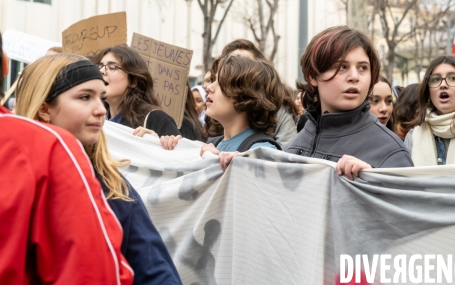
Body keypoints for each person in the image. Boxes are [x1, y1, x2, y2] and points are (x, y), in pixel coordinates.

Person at [14, 53, 182, 285]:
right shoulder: (12, 180)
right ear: (44, 109)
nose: (101, 110)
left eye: (101, 98)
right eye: (85, 97)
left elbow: (155, 272)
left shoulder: (113, 187)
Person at [285, 26, 413, 180]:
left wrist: (374, 184)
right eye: (342, 67)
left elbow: (407, 203)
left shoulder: (391, 152)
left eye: (362, 68)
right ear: (313, 76)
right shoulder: (291, 147)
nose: (354, 76)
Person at [198, 55, 284, 170]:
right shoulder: (213, 144)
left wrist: (244, 164)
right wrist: (172, 148)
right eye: (214, 81)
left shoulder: (263, 151)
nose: (209, 87)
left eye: (221, 83)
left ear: (246, 96)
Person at [214, 39, 299, 148]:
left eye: (245, 62)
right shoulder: (216, 109)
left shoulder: (279, 109)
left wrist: (249, 156)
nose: (237, 70)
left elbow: (286, 152)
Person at [404, 55, 455, 166]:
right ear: (428, 91)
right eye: (435, 79)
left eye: (453, 78)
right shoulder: (413, 137)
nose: (443, 85)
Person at [93, 45, 181, 137]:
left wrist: (156, 143)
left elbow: (181, 150)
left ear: (133, 82)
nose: (101, 71)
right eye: (99, 66)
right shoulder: (96, 119)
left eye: (111, 67)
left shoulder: (156, 120)